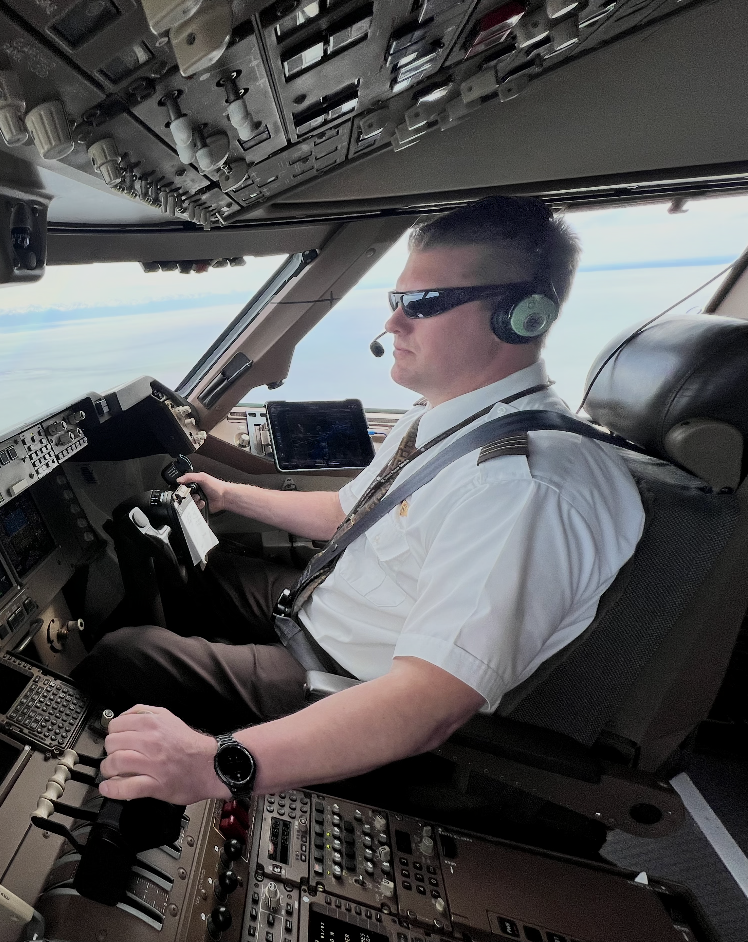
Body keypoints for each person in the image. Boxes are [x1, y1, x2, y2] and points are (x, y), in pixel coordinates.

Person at [72, 196, 645, 808]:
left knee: (127, 657)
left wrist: (214, 765)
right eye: (396, 302)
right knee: (196, 572)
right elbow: (347, 514)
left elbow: (427, 705)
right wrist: (225, 492)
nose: (394, 324)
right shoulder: (448, 418)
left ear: (522, 316)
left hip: (348, 683)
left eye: (424, 305)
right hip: (326, 615)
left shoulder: (523, 490)